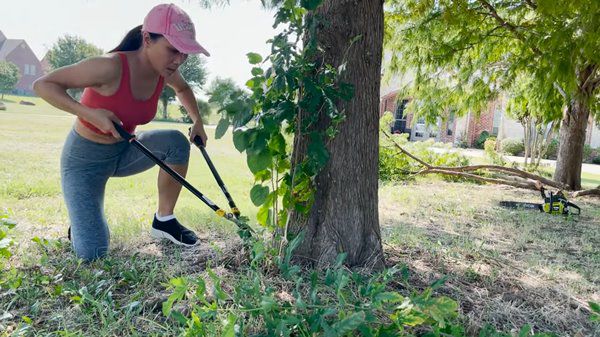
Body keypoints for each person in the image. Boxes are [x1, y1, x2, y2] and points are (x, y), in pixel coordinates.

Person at [34, 3, 210, 261]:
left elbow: (183, 89)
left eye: (185, 53)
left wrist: (198, 121)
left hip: (126, 150)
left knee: (175, 141)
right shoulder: (109, 67)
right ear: (147, 39)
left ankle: (164, 221)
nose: (179, 59)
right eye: (173, 50)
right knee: (94, 253)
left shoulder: (164, 71)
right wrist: (89, 113)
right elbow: (44, 85)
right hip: (84, 163)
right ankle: (83, 226)